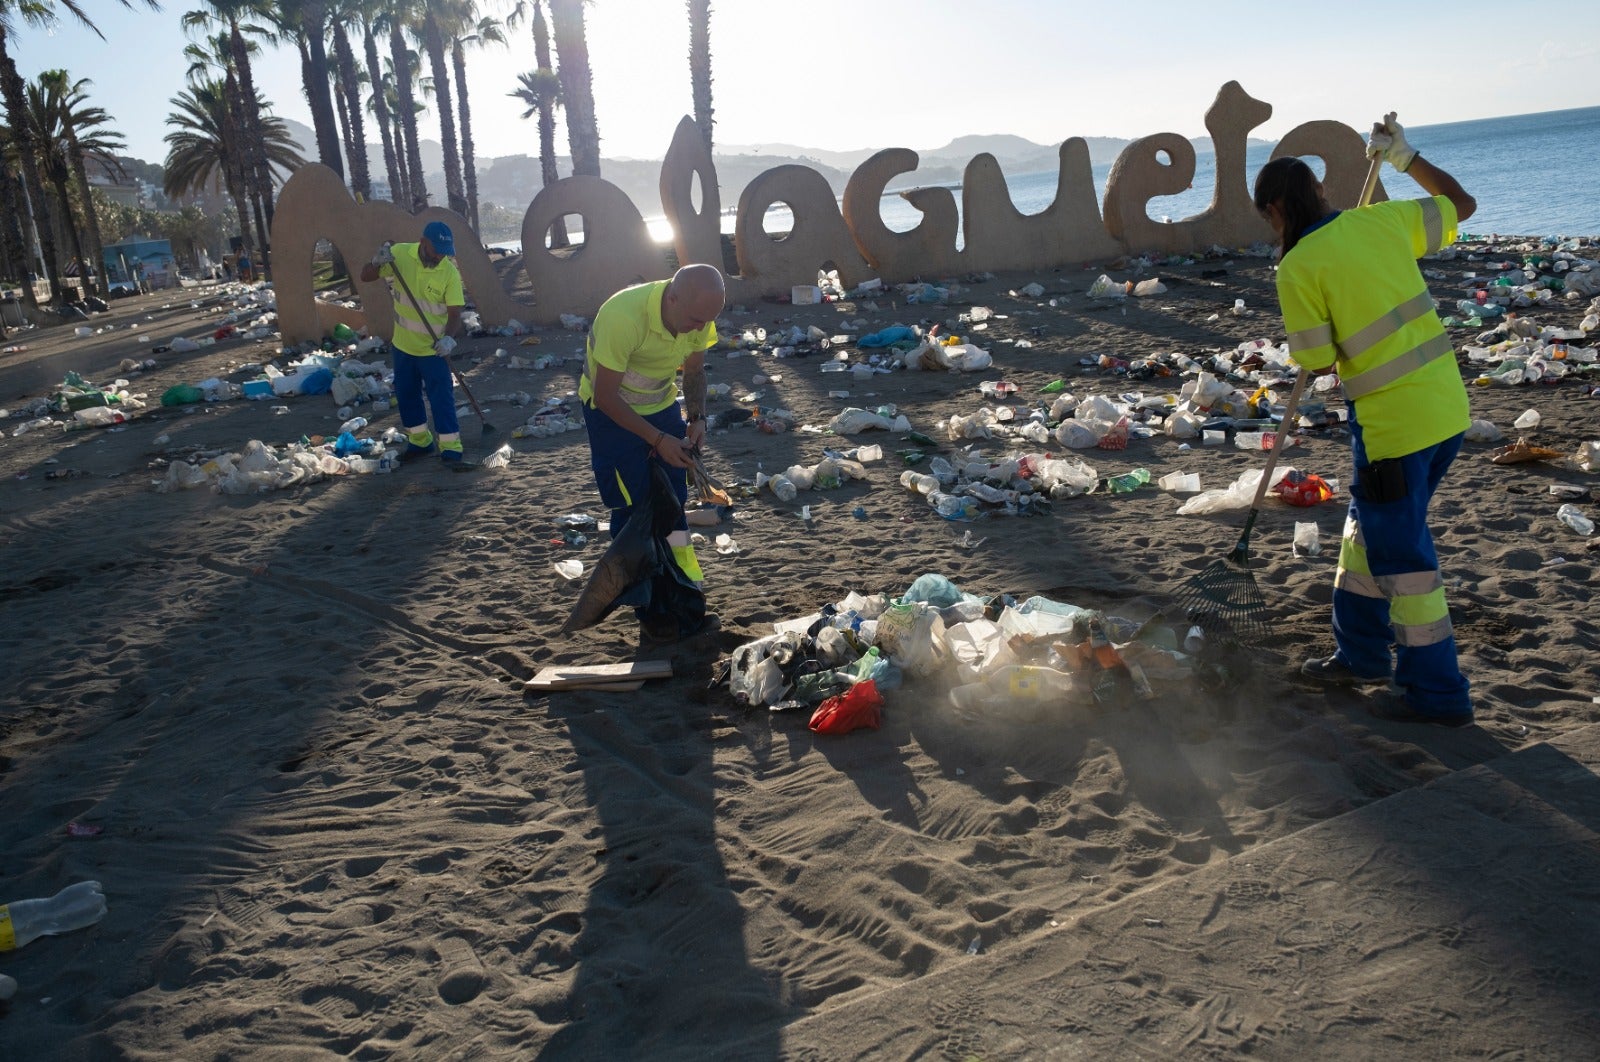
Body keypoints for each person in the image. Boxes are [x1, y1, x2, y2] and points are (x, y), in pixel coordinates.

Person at [1254, 113, 1477, 727]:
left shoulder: (1297, 267)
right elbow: (1462, 202)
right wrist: (1405, 159)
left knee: (1403, 559)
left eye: (1267, 217)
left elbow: (1318, 359)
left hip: (1393, 429)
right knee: (1365, 531)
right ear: (1320, 192)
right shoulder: (1383, 220)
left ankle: (1438, 695)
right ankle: (1360, 654)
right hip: (1447, 412)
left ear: (1276, 210)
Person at [580, 264, 725, 637]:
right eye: (695, 320)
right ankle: (650, 612)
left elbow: (694, 371)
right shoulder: (622, 317)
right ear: (672, 297)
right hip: (610, 415)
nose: (699, 328)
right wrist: (658, 440)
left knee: (673, 502)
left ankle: (686, 591)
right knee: (635, 508)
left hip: (661, 406)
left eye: (706, 322)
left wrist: (697, 418)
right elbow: (606, 397)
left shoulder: (699, 315)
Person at [359, 220, 467, 465]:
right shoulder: (399, 255)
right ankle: (420, 442)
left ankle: (451, 448)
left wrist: (448, 339)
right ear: (422, 243)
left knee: (442, 398)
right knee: (408, 396)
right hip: (403, 346)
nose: (439, 256)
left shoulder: (449, 272)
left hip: (434, 350)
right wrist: (377, 262)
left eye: (444, 252)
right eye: (435, 250)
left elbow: (455, 314)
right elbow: (365, 276)